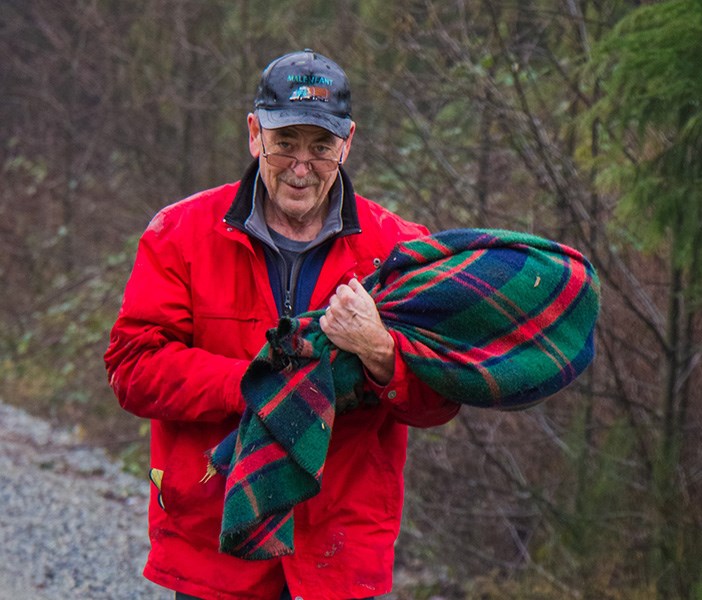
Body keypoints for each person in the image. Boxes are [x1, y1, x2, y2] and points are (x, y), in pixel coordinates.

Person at [104, 49, 460, 600]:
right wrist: (257, 385)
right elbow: (132, 367)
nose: (301, 165)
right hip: (216, 539)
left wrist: (382, 352)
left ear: (347, 142)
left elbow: (438, 399)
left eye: (320, 147)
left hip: (338, 550)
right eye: (285, 143)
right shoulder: (180, 233)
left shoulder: (398, 250)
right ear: (254, 133)